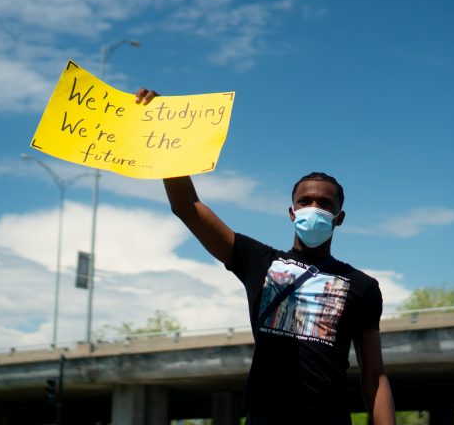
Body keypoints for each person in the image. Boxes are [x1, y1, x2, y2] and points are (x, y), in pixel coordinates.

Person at [135, 88, 395, 425]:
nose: (313, 209)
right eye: (305, 202)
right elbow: (187, 207)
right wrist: (166, 131)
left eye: (324, 204)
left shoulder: (362, 287)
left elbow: (375, 377)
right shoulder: (258, 261)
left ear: (339, 217)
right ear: (291, 212)